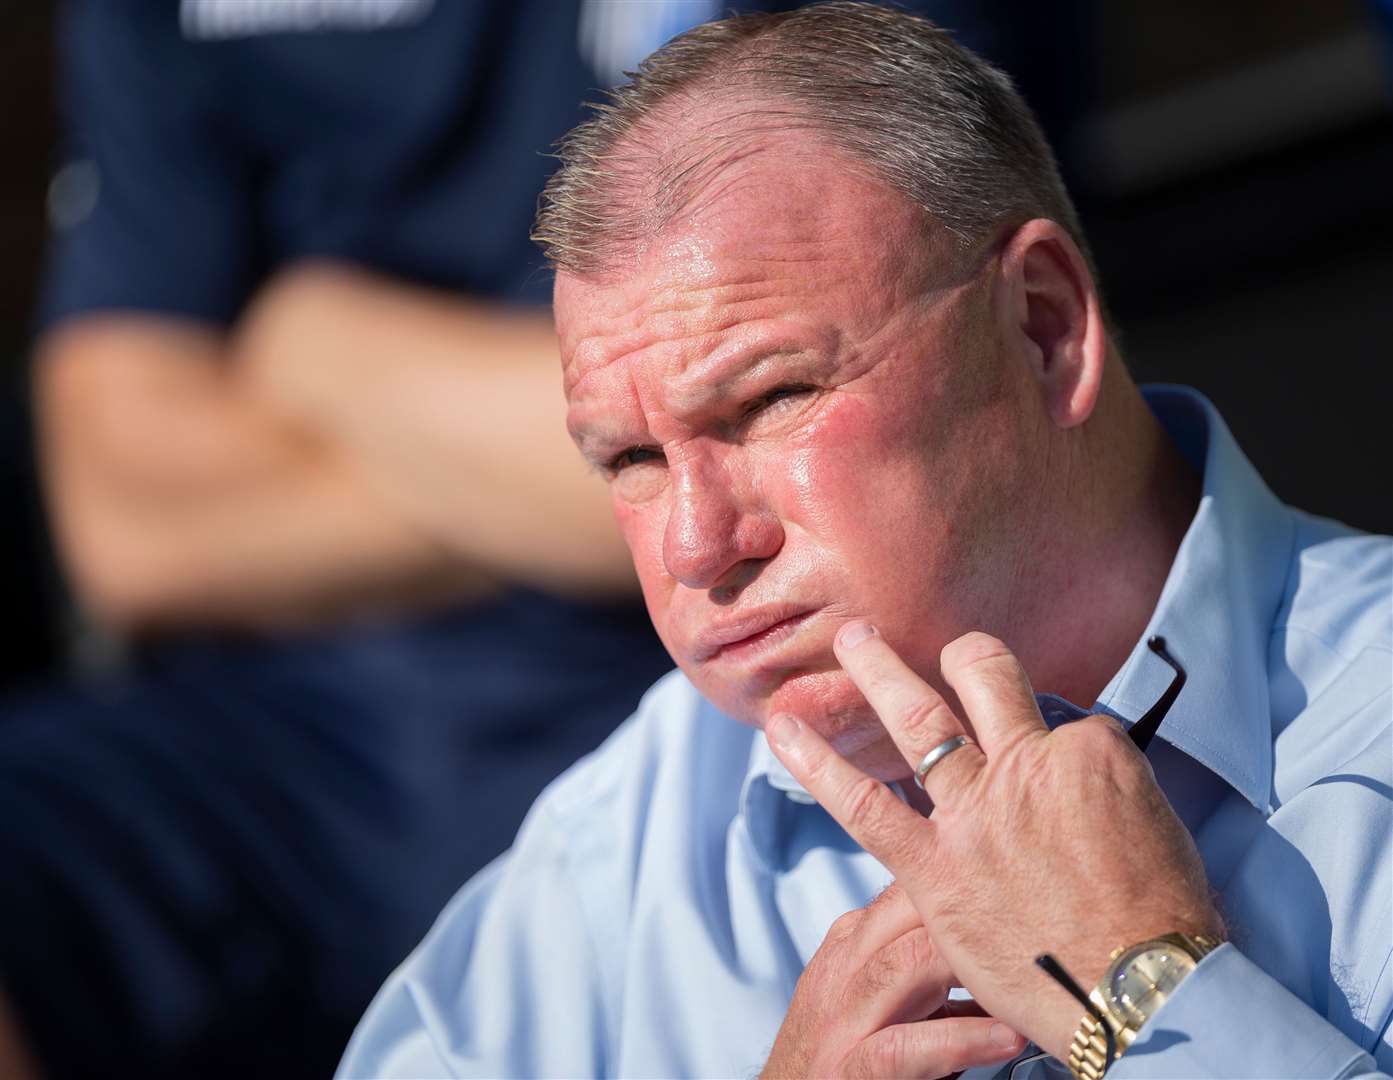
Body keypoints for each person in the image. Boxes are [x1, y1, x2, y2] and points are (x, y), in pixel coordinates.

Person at [339, 4, 1393, 1079]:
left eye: (768, 400)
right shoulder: (625, 842)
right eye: (631, 462)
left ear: (1042, 324)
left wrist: (1148, 990)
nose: (698, 545)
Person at [1, 2, 690, 1076]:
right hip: (263, 747)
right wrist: (548, 469)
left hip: (688, 693)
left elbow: (767, 459)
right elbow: (129, 525)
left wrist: (319, 341)